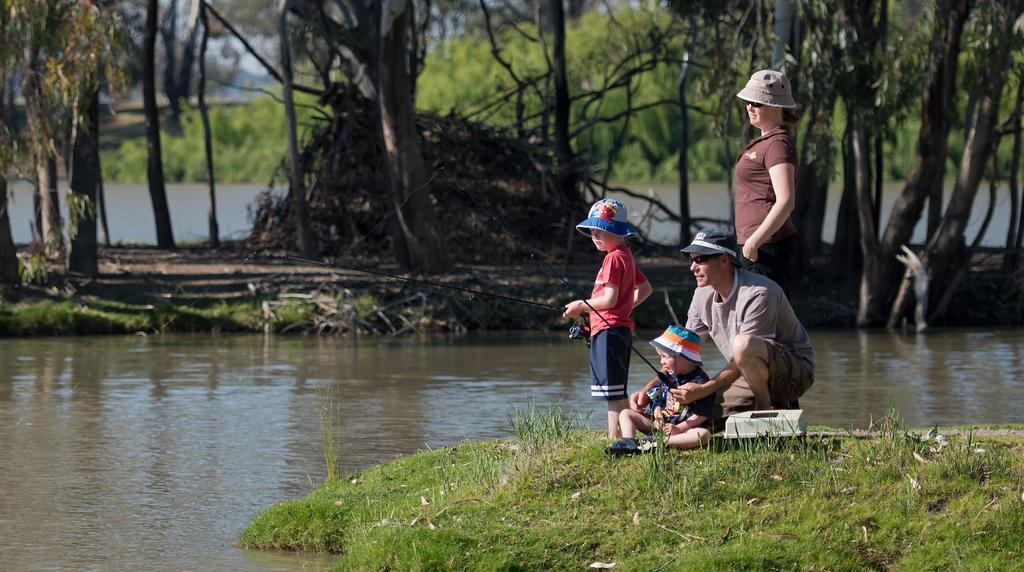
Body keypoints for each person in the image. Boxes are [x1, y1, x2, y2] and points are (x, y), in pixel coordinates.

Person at [672, 227, 814, 418]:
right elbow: (684, 350)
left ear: (724, 260)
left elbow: (747, 353)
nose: (692, 267)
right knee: (695, 411)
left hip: (795, 375)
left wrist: (705, 388)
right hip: (747, 374)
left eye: (700, 260)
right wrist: (655, 389)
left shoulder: (759, 292)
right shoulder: (701, 295)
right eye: (691, 260)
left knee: (743, 344)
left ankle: (764, 414)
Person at [563, 198, 653, 439]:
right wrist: (625, 309)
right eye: (592, 231)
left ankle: (616, 439)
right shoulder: (626, 256)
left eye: (602, 231)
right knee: (616, 390)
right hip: (617, 330)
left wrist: (580, 306)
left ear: (618, 232)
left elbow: (610, 299)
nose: (595, 236)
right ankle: (626, 436)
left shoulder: (613, 259)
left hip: (609, 332)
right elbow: (645, 290)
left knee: (611, 394)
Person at [734, 69, 801, 295]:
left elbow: (786, 201)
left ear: (775, 106)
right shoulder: (765, 141)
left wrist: (754, 242)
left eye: (757, 103)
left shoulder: (777, 144)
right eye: (748, 102)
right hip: (756, 247)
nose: (750, 107)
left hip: (767, 248)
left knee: (763, 323)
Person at [607, 326, 715, 455]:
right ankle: (629, 443)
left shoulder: (700, 382)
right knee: (625, 413)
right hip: (659, 425)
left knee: (703, 435)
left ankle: (657, 443)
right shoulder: (667, 376)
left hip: (683, 430)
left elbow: (702, 414)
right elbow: (656, 400)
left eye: (665, 356)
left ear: (684, 357)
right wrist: (656, 413)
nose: (661, 362)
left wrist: (678, 428)